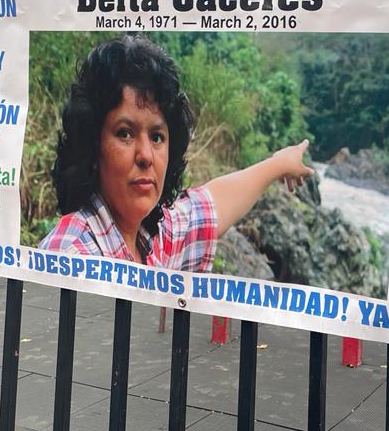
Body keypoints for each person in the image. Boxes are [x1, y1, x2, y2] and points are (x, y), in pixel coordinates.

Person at [39, 35, 313, 272]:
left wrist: (280, 164)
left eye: (157, 137)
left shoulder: (152, 241)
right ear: (92, 145)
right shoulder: (70, 259)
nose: (146, 155)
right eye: (125, 133)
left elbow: (209, 207)